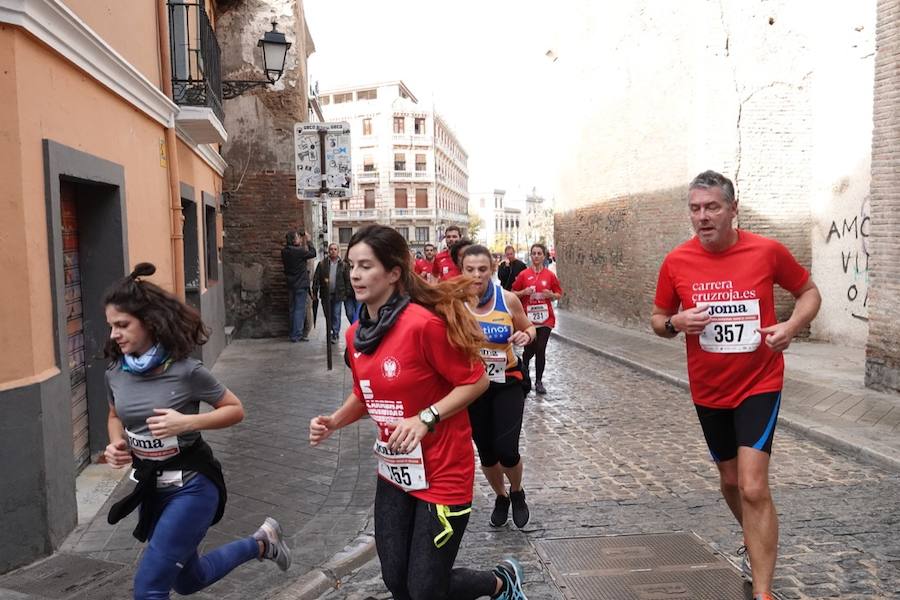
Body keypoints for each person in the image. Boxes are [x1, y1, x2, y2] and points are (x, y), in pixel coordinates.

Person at [309, 225, 528, 600]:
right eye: (351, 266)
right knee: (397, 582)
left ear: (394, 273)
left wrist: (426, 417)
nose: (356, 275)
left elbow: (476, 381)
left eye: (366, 266)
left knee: (424, 589)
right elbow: (366, 395)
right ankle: (499, 582)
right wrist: (334, 420)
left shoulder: (424, 324)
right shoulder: (355, 335)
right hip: (395, 472)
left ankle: (499, 582)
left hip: (442, 473)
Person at [651, 170, 821, 600]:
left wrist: (792, 327)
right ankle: (753, 540)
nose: (703, 217)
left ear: (733, 209)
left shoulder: (766, 251)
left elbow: (809, 292)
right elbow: (657, 320)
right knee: (729, 482)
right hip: (708, 389)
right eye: (695, 208)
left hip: (759, 381)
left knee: (752, 485)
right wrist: (675, 323)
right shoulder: (676, 261)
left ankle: (763, 592)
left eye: (712, 207)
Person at [103, 263, 291, 600]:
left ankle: (263, 542)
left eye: (122, 325)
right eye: (111, 326)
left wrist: (186, 422)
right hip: (152, 488)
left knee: (149, 588)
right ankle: (262, 543)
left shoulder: (187, 371)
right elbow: (115, 415)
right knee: (190, 580)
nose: (114, 334)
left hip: (192, 486)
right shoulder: (116, 371)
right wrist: (116, 442)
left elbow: (235, 410)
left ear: (149, 323)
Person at [461, 245, 536, 529]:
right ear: (462, 271)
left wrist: (525, 336)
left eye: (482, 269)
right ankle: (501, 496)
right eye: (470, 269)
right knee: (487, 452)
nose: (477, 275)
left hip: (507, 381)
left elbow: (529, 328)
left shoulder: (508, 300)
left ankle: (517, 491)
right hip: (472, 387)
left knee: (507, 449)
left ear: (492, 269)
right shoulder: (455, 304)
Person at [512, 243, 563, 395]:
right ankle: (525, 368)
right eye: (533, 253)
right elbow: (512, 292)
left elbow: (559, 293)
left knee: (541, 349)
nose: (536, 256)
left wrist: (551, 295)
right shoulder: (524, 274)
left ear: (544, 256)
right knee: (530, 350)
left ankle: (539, 381)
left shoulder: (550, 275)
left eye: (539, 253)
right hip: (529, 320)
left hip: (546, 319)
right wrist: (524, 292)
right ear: (530, 255)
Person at [281, 230, 316, 342]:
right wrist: (309, 241)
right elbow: (313, 253)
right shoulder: (299, 251)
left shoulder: (284, 251)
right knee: (299, 310)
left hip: (290, 284)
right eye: (298, 238)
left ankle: (293, 333)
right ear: (293, 240)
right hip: (300, 284)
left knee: (292, 309)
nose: (300, 239)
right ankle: (297, 335)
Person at [313, 243, 352, 342]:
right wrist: (314, 292)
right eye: (331, 249)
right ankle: (330, 331)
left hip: (338, 294)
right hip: (325, 294)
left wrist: (347, 292)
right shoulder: (322, 264)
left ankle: (335, 333)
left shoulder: (343, 265)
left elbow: (347, 280)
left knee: (336, 314)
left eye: (335, 249)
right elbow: (316, 279)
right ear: (328, 251)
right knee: (328, 314)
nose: (333, 251)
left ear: (338, 251)